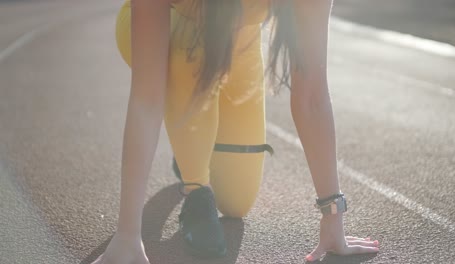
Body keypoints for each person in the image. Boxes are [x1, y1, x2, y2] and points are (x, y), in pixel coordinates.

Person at [91, 0, 380, 263]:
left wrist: (333, 219)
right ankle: (194, 174)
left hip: (238, 43)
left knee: (236, 201)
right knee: (190, 49)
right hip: (172, 29)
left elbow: (312, 99)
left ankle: (192, 145)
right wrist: (128, 236)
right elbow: (146, 100)